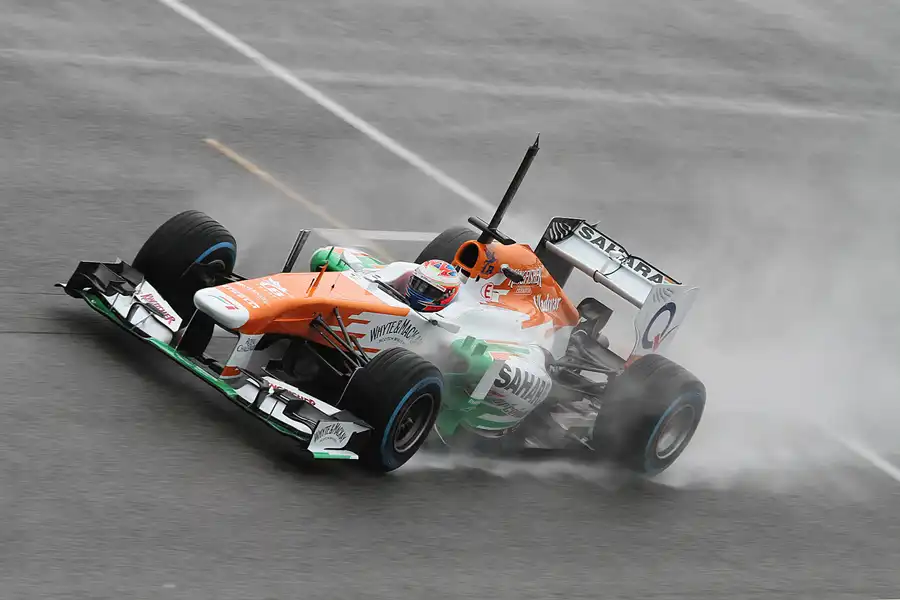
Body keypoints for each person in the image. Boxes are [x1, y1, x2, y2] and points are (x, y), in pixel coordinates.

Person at [384, 259, 462, 312]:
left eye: (432, 291)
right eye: (416, 283)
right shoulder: (404, 278)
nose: (420, 290)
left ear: (446, 296)